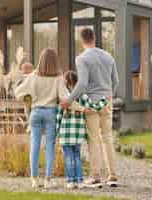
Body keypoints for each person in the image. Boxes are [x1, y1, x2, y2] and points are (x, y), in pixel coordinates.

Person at [61, 28, 120, 188]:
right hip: (107, 101)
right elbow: (116, 81)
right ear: (94, 38)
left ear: (82, 40)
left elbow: (82, 84)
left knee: (93, 139)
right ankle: (113, 176)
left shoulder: (81, 58)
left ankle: (95, 176)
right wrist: (109, 95)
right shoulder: (108, 56)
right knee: (107, 137)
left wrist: (69, 99)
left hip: (91, 104)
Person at [14, 49, 68, 189]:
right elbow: (65, 97)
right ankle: (48, 180)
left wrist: (26, 98)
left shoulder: (33, 76)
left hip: (36, 112)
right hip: (51, 113)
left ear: (40, 60)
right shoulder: (58, 77)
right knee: (50, 146)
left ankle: (34, 179)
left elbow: (18, 92)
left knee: (35, 145)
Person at [57, 71, 107, 189]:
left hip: (65, 133)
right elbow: (93, 106)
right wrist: (104, 100)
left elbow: (59, 115)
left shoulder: (64, 97)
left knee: (68, 157)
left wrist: (57, 130)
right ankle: (79, 181)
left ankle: (70, 181)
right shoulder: (83, 96)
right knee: (77, 156)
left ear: (65, 83)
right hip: (78, 133)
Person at [16, 62, 33, 133]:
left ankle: (31, 125)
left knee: (27, 111)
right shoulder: (33, 76)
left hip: (26, 97)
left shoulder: (22, 77)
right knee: (30, 111)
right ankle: (31, 125)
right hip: (34, 96)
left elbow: (17, 86)